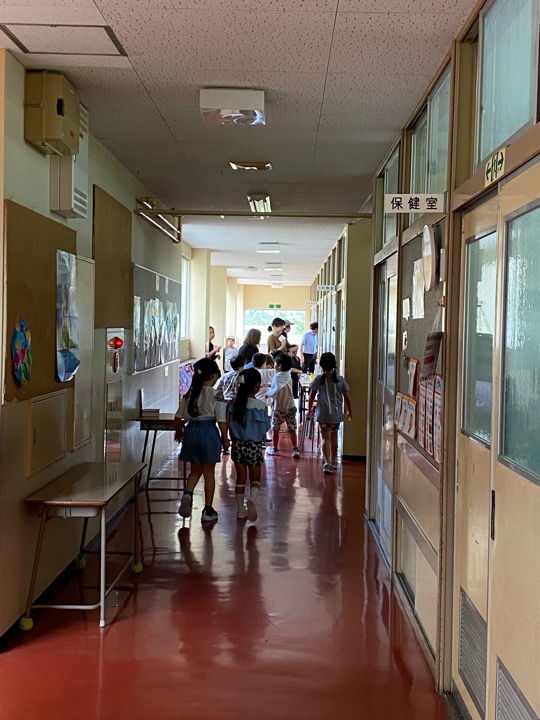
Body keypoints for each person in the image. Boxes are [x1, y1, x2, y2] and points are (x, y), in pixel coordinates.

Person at [174, 357, 228, 523]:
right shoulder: (217, 394)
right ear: (212, 375)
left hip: (191, 432)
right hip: (208, 432)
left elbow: (178, 417)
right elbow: (221, 420)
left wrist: (178, 431)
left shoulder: (189, 394)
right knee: (209, 473)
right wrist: (225, 438)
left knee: (195, 470)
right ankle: (208, 510)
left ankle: (188, 493)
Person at [228, 368, 271, 521]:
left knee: (240, 478)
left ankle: (240, 510)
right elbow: (266, 427)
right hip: (254, 446)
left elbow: (227, 422)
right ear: (257, 385)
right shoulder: (261, 406)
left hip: (238, 445)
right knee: (255, 480)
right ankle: (251, 499)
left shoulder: (234, 405)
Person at [307, 351, 352, 475]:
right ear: (334, 364)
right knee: (334, 437)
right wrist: (350, 411)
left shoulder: (318, 380)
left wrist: (309, 410)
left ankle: (327, 463)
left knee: (325, 438)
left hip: (323, 414)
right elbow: (347, 398)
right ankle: (333, 460)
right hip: (336, 415)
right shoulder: (340, 380)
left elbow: (311, 397)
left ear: (321, 365)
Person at [265, 353, 301, 458]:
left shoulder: (277, 377)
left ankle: (275, 448)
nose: (274, 365)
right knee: (292, 428)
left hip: (279, 407)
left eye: (275, 364)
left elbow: (275, 390)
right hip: (290, 406)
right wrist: (269, 385)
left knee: (275, 428)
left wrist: (268, 394)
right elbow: (280, 386)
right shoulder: (288, 375)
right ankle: (295, 448)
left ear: (279, 366)